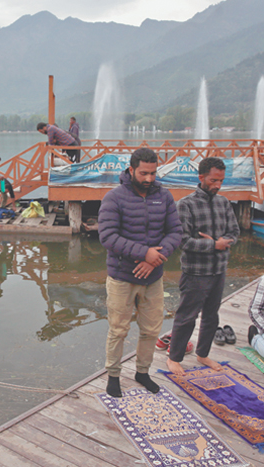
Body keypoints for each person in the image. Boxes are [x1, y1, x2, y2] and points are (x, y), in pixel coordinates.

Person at [98, 147, 182, 397]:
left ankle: (142, 372)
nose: (149, 179)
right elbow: (107, 237)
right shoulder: (113, 198)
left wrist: (154, 260)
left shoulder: (164, 197)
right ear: (131, 169)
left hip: (153, 278)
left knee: (151, 329)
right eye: (144, 173)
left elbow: (175, 232)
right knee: (118, 329)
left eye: (153, 173)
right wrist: (144, 253)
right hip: (122, 277)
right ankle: (113, 375)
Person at [166, 157, 240, 376]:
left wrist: (223, 242)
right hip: (196, 272)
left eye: (221, 181)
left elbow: (234, 233)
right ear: (201, 177)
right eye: (214, 180)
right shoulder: (186, 205)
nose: (218, 185)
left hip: (219, 270)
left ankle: (203, 353)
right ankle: (174, 357)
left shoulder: (223, 202)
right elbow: (183, 241)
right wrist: (214, 244)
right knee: (187, 316)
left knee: (212, 315)